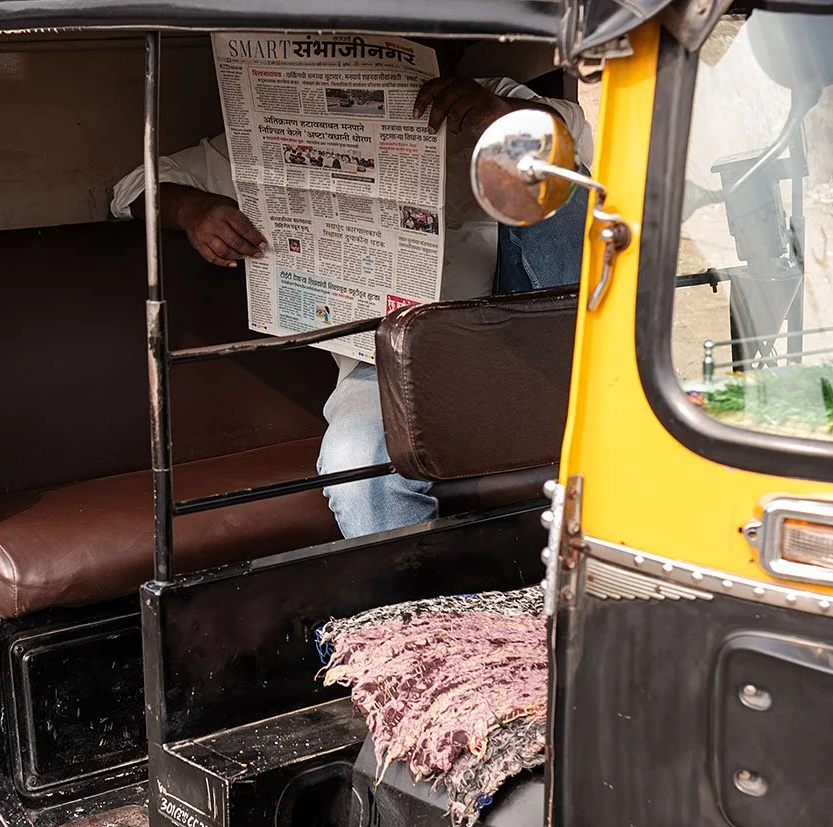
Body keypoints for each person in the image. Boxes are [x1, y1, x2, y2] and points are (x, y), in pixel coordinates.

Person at [112, 67, 591, 538]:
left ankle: (589, 377)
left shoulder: (484, 96)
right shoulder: (270, 131)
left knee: (557, 161)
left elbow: (585, 141)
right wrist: (192, 210)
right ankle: (411, 610)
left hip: (523, 334)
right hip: (389, 363)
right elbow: (131, 189)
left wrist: (503, 117)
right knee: (353, 464)